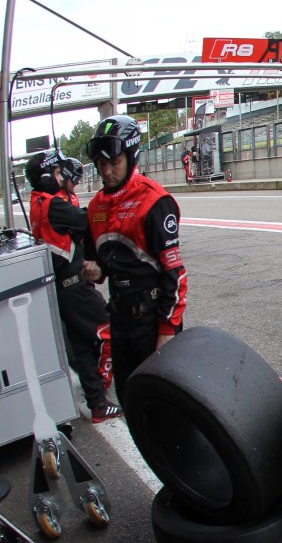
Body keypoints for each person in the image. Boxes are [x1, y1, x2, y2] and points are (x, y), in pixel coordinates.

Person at [84, 115, 187, 402]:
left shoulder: (154, 201)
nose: (106, 171)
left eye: (113, 162)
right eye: (101, 164)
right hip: (119, 317)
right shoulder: (94, 208)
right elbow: (99, 264)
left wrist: (167, 331)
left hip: (152, 319)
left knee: (166, 401)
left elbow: (175, 273)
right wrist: (95, 271)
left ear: (131, 156)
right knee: (131, 398)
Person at [25, 150, 119, 423]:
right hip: (74, 286)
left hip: (62, 289)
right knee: (109, 332)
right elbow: (88, 219)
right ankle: (103, 383)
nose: (63, 176)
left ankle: (98, 404)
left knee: (80, 347)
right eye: (58, 172)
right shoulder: (54, 205)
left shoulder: (39, 202)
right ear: (47, 176)